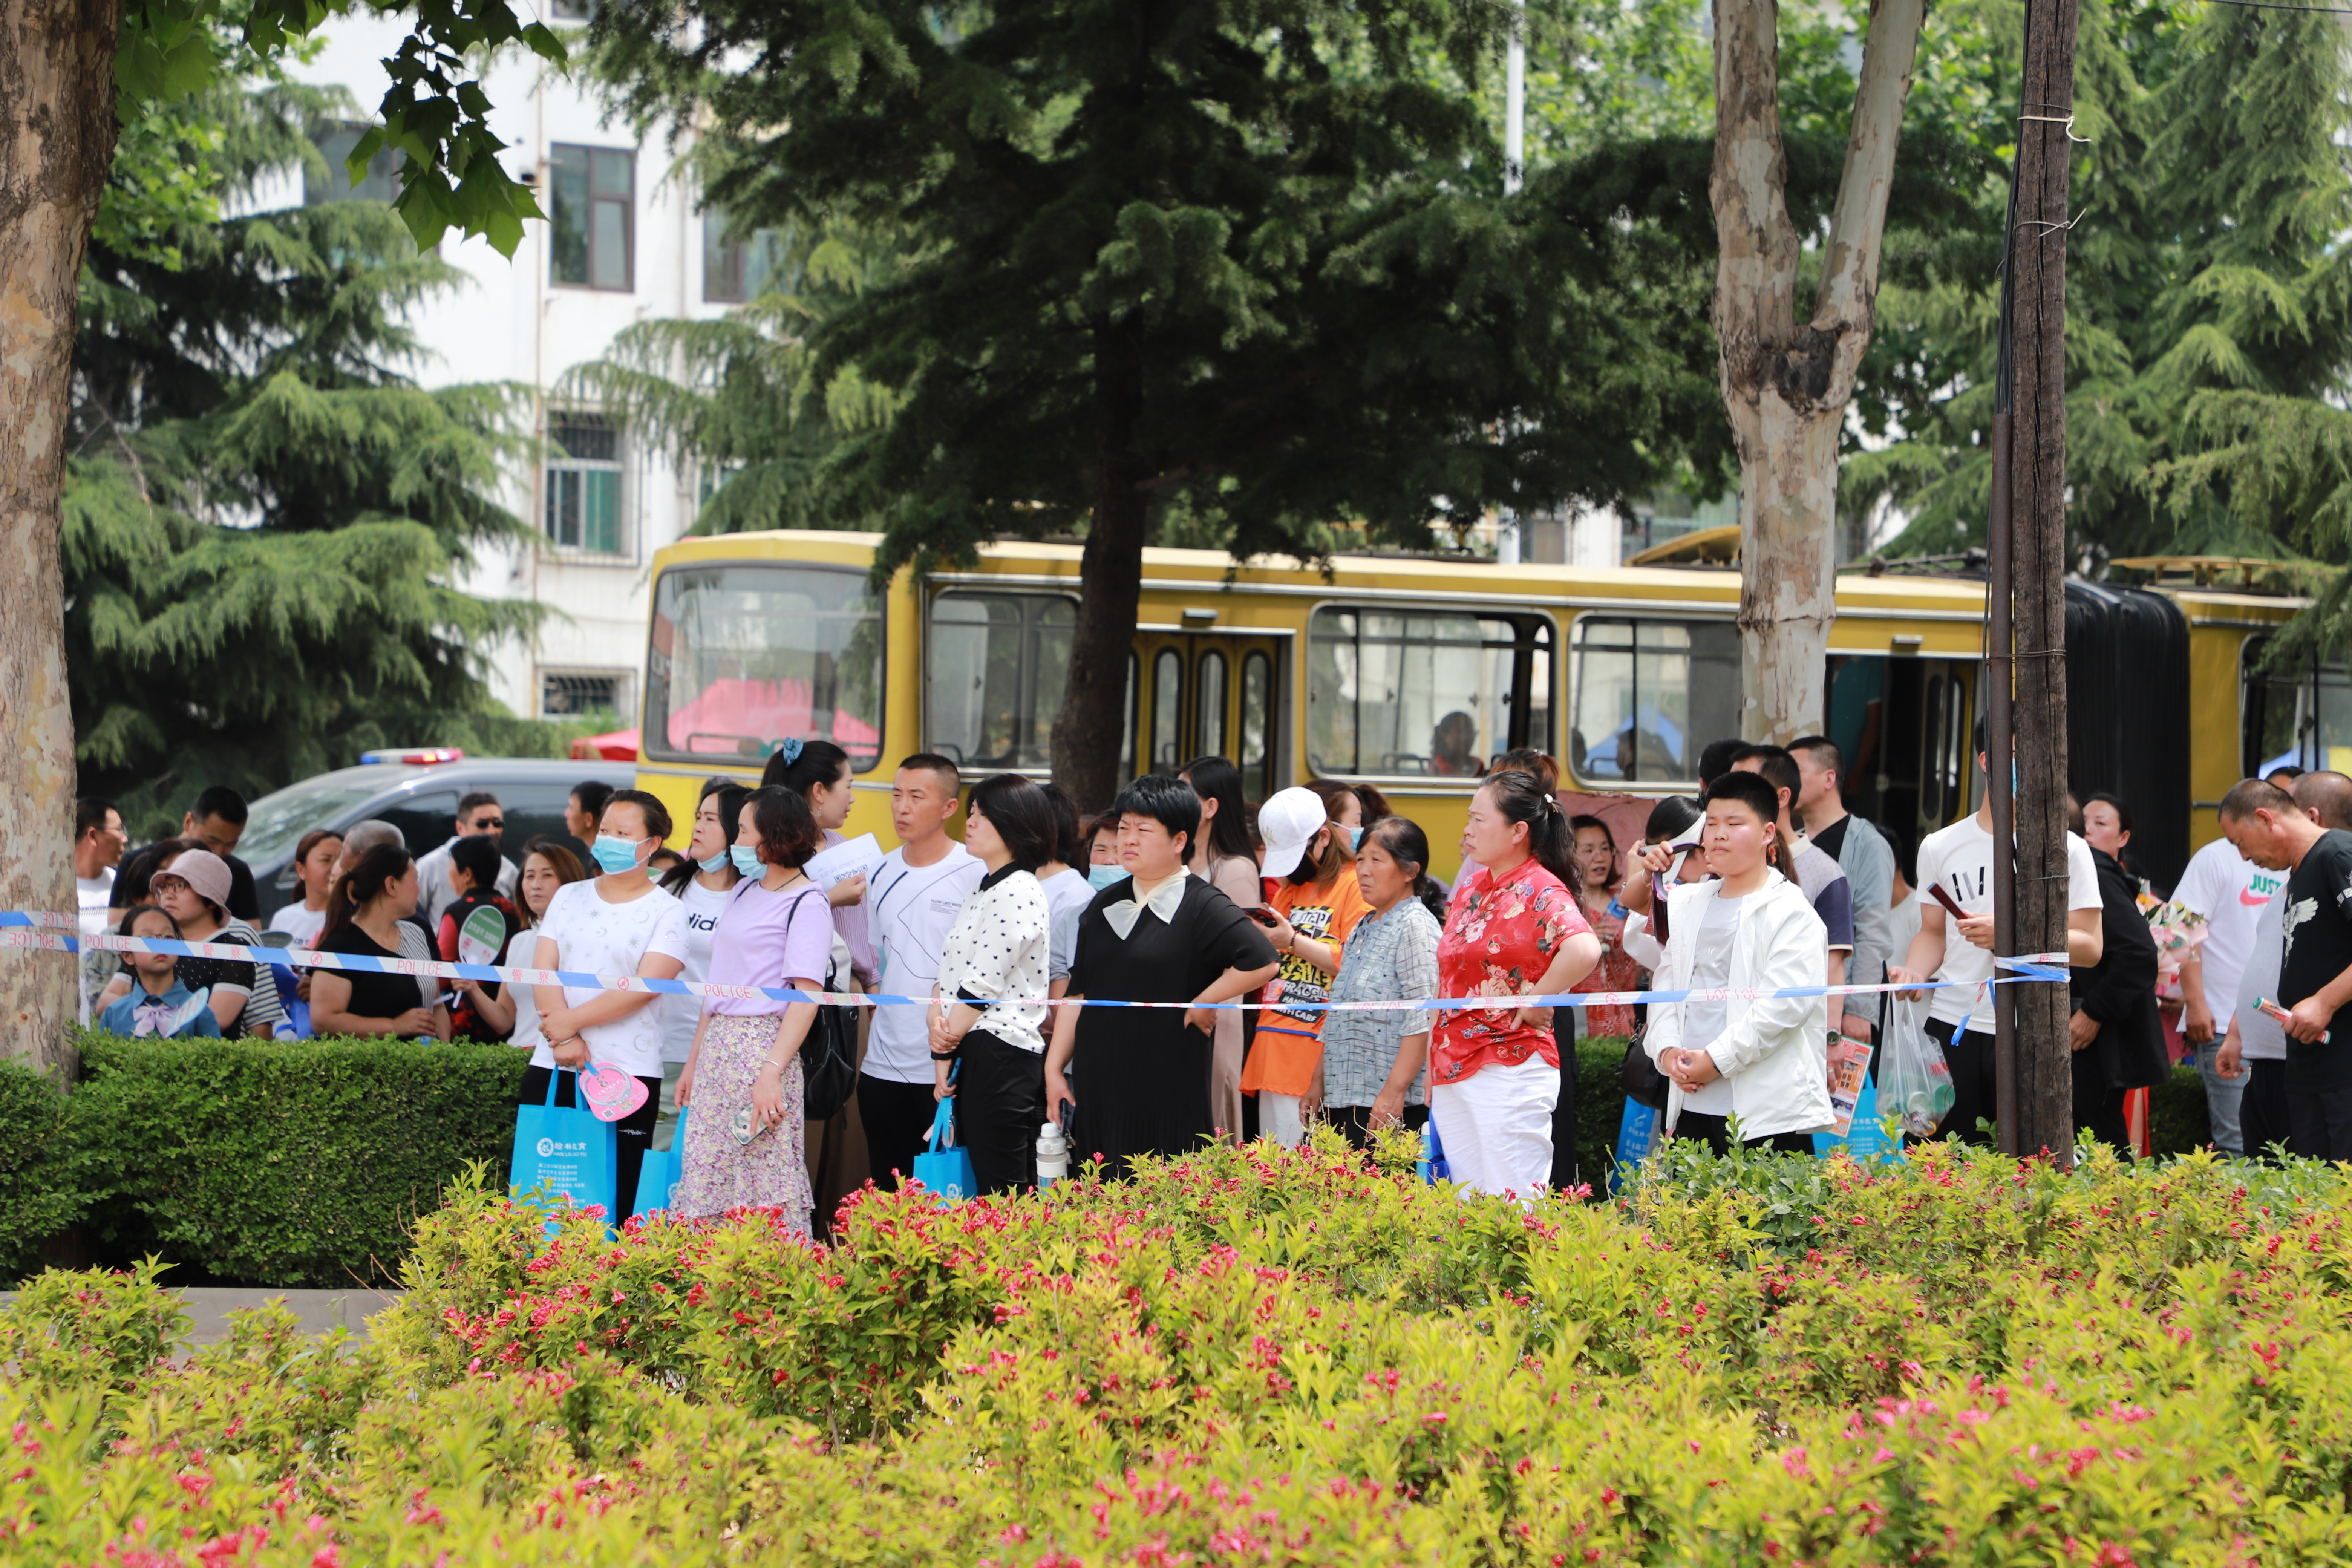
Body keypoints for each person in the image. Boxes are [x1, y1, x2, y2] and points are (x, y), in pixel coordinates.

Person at [1044, 775, 1280, 1179]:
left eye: (1143, 829)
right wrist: (1054, 1068)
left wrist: (1204, 999)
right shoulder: (1103, 902)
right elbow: (1078, 993)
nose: (1127, 840)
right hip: (1100, 1080)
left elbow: (1263, 959)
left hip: (1167, 1082)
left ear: (1179, 841)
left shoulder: (1202, 903)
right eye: (1123, 828)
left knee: (1166, 1200)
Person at [1890, 722, 2107, 1146]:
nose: (2028, 765)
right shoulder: (1940, 845)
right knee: (1938, 1167)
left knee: (2030, 1166)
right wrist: (1913, 973)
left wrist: (2010, 936)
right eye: (2015, 754)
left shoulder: (2069, 848)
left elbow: (2091, 946)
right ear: (1986, 761)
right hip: (1954, 1025)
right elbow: (1933, 933)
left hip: (2035, 1029)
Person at [1643, 769, 1836, 1155]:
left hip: (1765, 1110)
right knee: (1690, 1213)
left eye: (1734, 823)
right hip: (1690, 1099)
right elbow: (1665, 986)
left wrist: (1715, 1060)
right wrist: (1666, 1052)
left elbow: (1784, 1007)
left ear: (1767, 833)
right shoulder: (1687, 902)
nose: (1719, 834)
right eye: (1712, 823)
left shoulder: (1791, 911)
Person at [1429, 770, 1601, 1197]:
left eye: (1479, 820)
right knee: (1468, 1206)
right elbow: (1448, 976)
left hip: (1512, 1063)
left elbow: (1583, 949)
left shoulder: (1540, 886)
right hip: (1454, 1064)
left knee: (1515, 1204)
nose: (1467, 830)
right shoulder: (1469, 887)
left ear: (1518, 831)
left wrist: (1539, 995)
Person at [530, 789, 691, 1223]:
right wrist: (562, 1036)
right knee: (546, 1196)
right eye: (605, 830)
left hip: (626, 1073)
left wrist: (570, 1025)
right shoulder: (568, 896)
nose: (610, 840)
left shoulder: (669, 911)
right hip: (553, 1063)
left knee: (614, 1199)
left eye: (624, 832)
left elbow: (645, 985)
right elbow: (544, 967)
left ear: (653, 843)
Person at [674, 787, 829, 1230]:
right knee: (709, 1173)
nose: (736, 839)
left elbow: (805, 996)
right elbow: (717, 986)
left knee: (764, 1177)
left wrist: (772, 1071)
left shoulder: (808, 901)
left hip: (763, 1048)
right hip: (719, 1050)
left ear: (773, 835)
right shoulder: (743, 890)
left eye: (743, 830)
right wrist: (693, 1061)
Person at [860, 754, 986, 1188]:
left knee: (946, 1199)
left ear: (950, 807)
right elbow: (875, 958)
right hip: (882, 1064)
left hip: (948, 1071)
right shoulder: (879, 869)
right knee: (888, 1196)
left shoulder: (977, 870)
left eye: (917, 796)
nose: (902, 807)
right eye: (897, 795)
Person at [928, 775, 1057, 1193]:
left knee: (1002, 1192)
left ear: (1014, 825)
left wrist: (941, 1044)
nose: (970, 822)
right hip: (973, 1043)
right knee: (977, 1187)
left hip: (1001, 1051)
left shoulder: (1018, 888)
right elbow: (951, 974)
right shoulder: (985, 887)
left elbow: (981, 985)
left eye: (982, 815)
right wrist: (937, 1020)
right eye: (971, 813)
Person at [2217, 776, 2352, 1160]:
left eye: (2240, 842)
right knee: (2312, 1201)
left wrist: (2325, 1002)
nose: (2244, 857)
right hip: (2308, 1067)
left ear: (2264, 818)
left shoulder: (2338, 853)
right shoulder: (2300, 872)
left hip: (2343, 1067)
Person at [1298, 816, 1446, 1150]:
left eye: (1377, 860)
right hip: (1342, 1100)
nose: (1363, 870)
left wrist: (1393, 1092)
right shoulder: (1363, 927)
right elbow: (1338, 1015)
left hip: (1389, 1107)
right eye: (1360, 859)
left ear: (1411, 871)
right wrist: (1317, 1083)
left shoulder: (1415, 926)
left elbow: (1423, 1018)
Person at [1243, 786, 1370, 1147]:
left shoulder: (1355, 885)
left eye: (1296, 855)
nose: (1291, 869)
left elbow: (1357, 963)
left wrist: (1293, 942)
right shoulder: (1288, 891)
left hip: (1320, 1054)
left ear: (1324, 838)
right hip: (1274, 1048)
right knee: (1276, 1173)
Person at [2170, 816, 2288, 1157]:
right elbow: (2176, 928)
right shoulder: (2215, 857)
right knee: (2238, 1145)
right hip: (2222, 1024)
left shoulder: (2300, 862)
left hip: (2287, 1029)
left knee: (2283, 1150)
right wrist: (2196, 1002)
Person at [96, 848, 291, 1039]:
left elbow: (212, 1021)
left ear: (211, 898)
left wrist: (146, 1011)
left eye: (180, 886)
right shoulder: (154, 944)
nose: (168, 895)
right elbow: (106, 1003)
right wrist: (149, 1014)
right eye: (164, 887)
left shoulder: (234, 950)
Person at [1729, 745, 1856, 1034]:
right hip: (1725, 1031)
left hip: (1795, 1035)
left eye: (1746, 785)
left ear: (1782, 797)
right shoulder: (1720, 868)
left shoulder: (1826, 873)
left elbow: (1832, 967)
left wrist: (1831, 1036)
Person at [2067, 797, 2168, 1153]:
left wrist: (2093, 1013)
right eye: (2088, 823)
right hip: (2079, 1031)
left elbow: (2139, 955)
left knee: (2098, 1146)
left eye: (2102, 824)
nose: (2092, 831)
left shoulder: (2095, 873)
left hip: (2088, 1037)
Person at [1788, 736, 1896, 1047]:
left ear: (1829, 778)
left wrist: (1859, 1008)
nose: (1788, 783)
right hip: (1797, 1001)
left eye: (1796, 772)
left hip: (1844, 1006)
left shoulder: (1868, 844)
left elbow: (1872, 932)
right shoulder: (1790, 842)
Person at [1179, 756, 1266, 1141]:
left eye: (1185, 793)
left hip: (1214, 1012)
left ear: (1211, 807)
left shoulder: (1236, 870)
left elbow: (1245, 955)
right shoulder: (1178, 862)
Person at [656, 781, 750, 1111]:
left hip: (721, 1054)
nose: (698, 826)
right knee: (659, 1154)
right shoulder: (668, 886)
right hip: (661, 1044)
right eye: (698, 816)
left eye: (711, 819)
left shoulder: (753, 898)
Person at [766, 737, 879, 986]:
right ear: (819, 791)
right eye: (848, 786)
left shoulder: (840, 845)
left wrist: (871, 990)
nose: (853, 799)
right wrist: (830, 900)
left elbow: (860, 939)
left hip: (845, 994)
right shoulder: (770, 856)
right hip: (785, 992)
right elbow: (763, 925)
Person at [311, 844, 450, 1041]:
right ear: (391, 886)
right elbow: (324, 1020)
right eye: (416, 879)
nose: (419, 888)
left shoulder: (417, 934)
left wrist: (445, 1055)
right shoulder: (340, 946)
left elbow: (437, 1005)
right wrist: (394, 1026)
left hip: (426, 1065)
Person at [462, 839, 587, 1055]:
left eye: (547, 875)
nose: (536, 884)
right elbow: (504, 1020)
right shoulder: (520, 941)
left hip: (562, 1057)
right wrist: (472, 988)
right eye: (530, 876)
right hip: (518, 1058)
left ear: (570, 882)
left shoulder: (585, 941)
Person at [435, 834, 521, 1041]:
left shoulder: (457, 912)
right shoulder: (514, 911)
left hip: (466, 1019)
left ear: (467, 874)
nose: (449, 873)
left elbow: (442, 971)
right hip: (508, 1016)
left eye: (452, 867)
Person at [98, 907, 224, 1039]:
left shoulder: (199, 1011)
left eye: (168, 937)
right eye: (148, 938)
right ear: (128, 955)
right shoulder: (115, 1013)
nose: (160, 944)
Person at [1565, 814, 1639, 1038]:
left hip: (1624, 1013)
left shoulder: (1627, 900)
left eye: (1606, 849)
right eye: (1589, 850)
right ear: (1569, 856)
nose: (1600, 857)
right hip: (1580, 1017)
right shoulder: (1564, 906)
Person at [416, 792, 520, 928]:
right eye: (482, 824)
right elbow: (413, 917)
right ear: (460, 828)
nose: (492, 830)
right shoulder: (430, 866)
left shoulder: (509, 869)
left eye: (497, 823)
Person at [267, 830, 345, 949]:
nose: (335, 868)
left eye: (341, 861)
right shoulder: (283, 919)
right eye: (326, 860)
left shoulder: (353, 919)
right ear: (301, 870)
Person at [74, 798, 125, 936]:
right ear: (93, 836)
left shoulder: (122, 886)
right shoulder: (55, 891)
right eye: (119, 829)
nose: (125, 839)